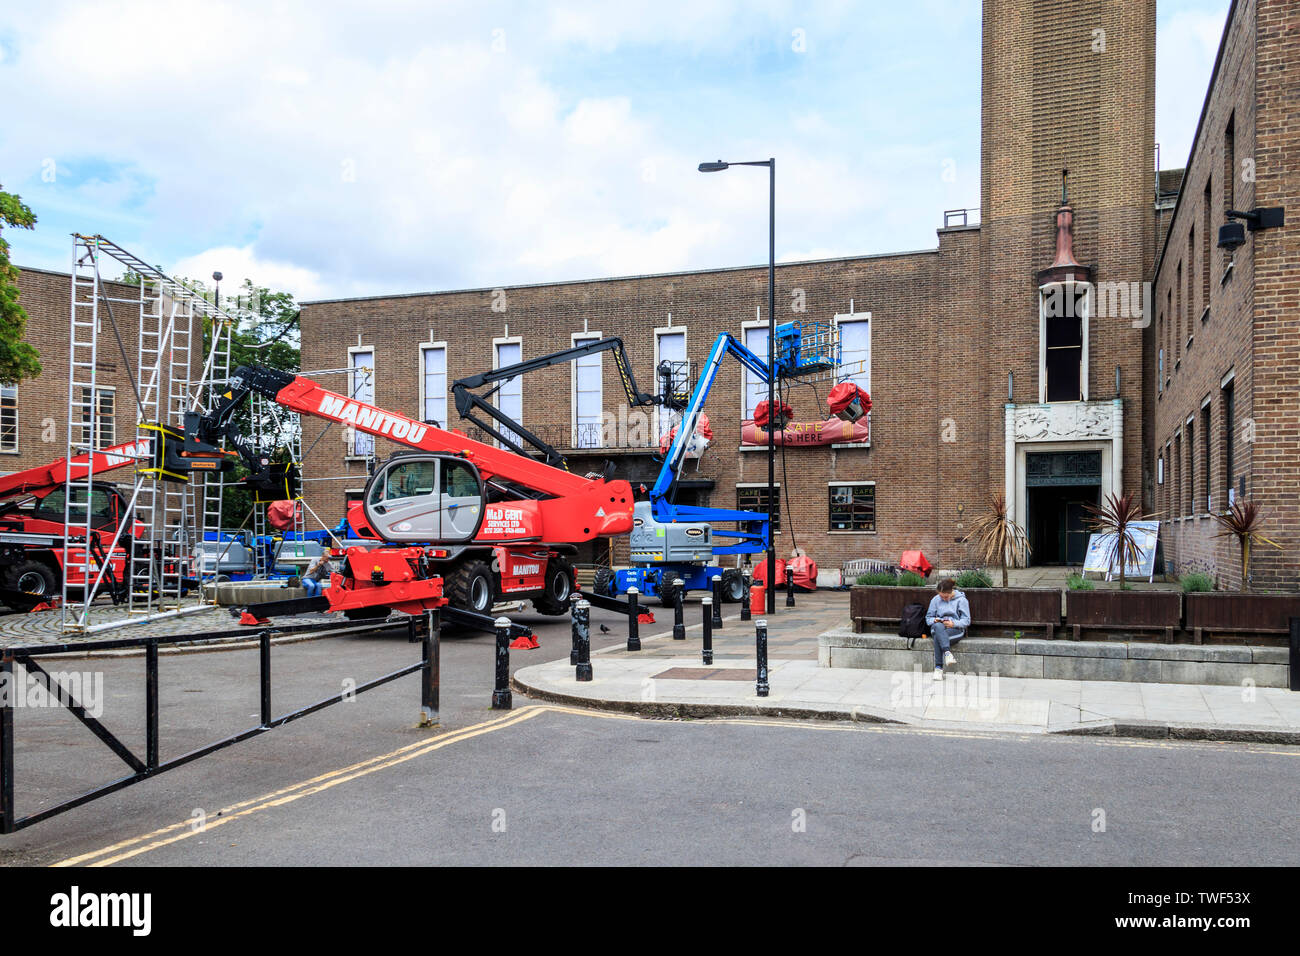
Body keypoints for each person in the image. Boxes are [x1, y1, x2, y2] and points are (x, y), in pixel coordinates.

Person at [926, 578, 970, 681]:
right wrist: (936, 620)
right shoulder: (935, 599)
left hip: (955, 629)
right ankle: (947, 653)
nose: (943, 599)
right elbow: (928, 619)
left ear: (951, 592)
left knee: (938, 637)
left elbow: (966, 620)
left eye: (946, 597)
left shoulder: (961, 600)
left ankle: (938, 668)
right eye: (941, 596)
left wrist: (953, 623)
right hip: (938, 627)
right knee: (937, 627)